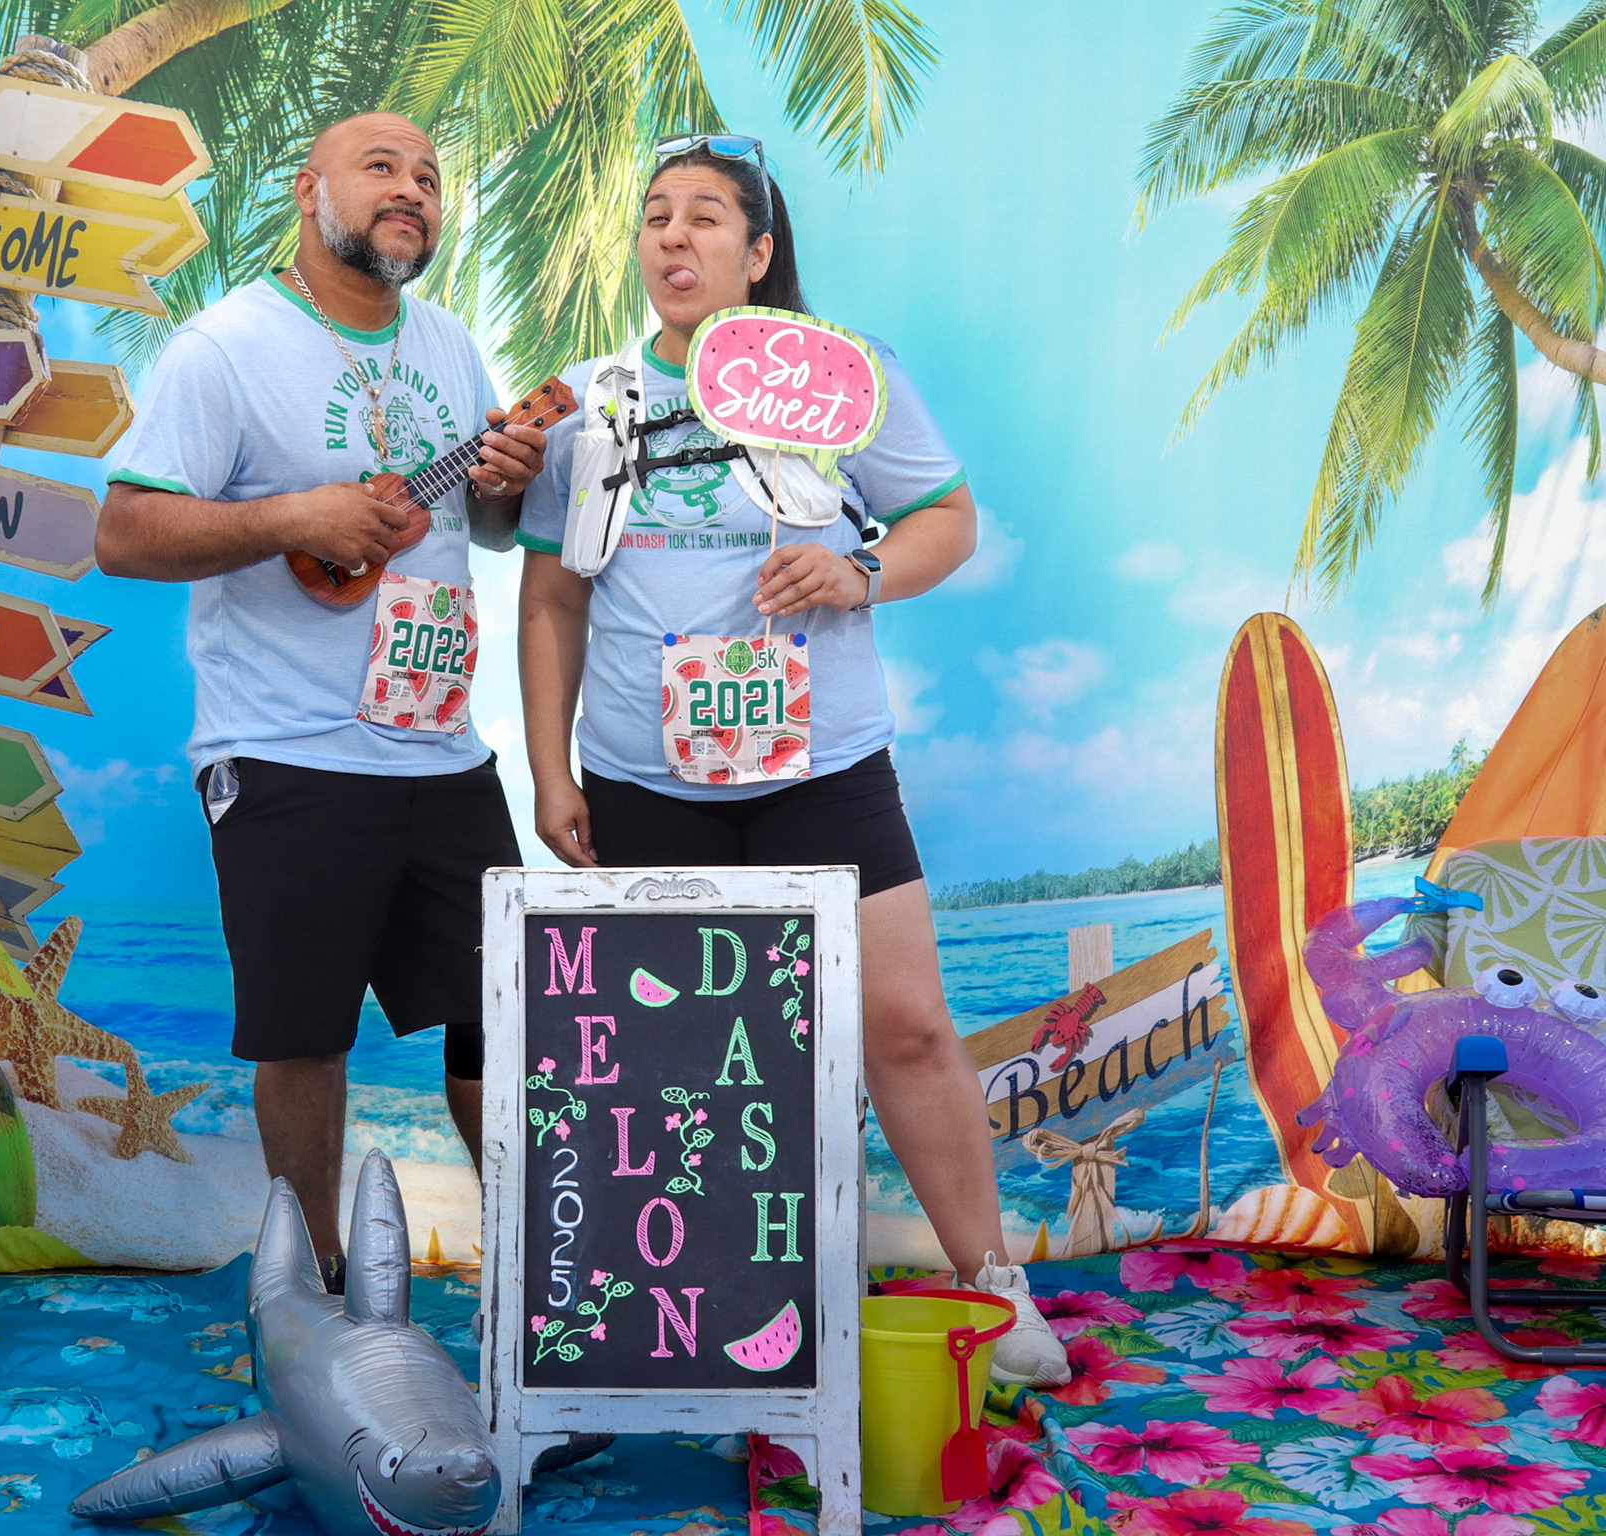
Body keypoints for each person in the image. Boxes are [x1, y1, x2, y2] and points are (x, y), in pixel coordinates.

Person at [514, 135, 1070, 1387]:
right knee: (674, 1076)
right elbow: (550, 601)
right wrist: (551, 773)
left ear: (759, 252)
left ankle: (994, 1285)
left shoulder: (841, 382)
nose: (674, 236)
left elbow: (946, 521)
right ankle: (701, 1318)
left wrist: (857, 569)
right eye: (656, 215)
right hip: (644, 782)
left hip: (823, 768)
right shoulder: (588, 402)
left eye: (706, 217)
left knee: (906, 1029)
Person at [96, 113, 547, 1287]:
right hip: (287, 751)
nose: (412, 190)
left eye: (430, 177)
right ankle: (321, 1283)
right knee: (305, 1037)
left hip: (443, 750)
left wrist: (508, 485)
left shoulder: (451, 344)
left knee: (505, 1017)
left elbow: (489, 531)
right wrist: (297, 516)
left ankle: (542, 1266)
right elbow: (124, 532)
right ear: (310, 192)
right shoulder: (225, 348)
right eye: (381, 168)